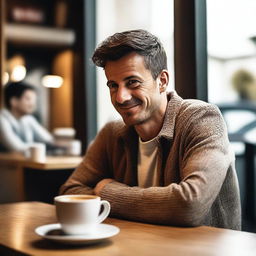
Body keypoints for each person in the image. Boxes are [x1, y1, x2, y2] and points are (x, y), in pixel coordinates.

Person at [60, 29, 241, 230]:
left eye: (133, 82)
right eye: (113, 85)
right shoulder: (113, 132)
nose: (121, 97)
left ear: (162, 81)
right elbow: (70, 191)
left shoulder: (202, 119)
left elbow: (189, 204)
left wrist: (107, 191)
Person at [0, 81, 54, 153]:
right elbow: (16, 148)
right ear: (14, 101)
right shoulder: (2, 119)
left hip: (23, 162)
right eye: (28, 99)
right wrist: (40, 147)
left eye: (34, 100)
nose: (33, 104)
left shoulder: (28, 119)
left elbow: (48, 139)